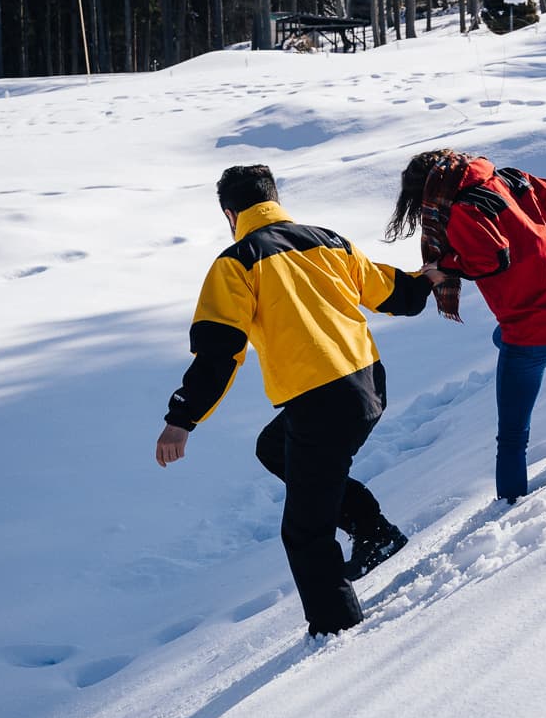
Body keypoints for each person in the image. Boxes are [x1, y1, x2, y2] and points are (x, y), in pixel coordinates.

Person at [156, 164, 433, 637]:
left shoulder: (236, 262)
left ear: (230, 214)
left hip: (321, 402)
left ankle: (336, 630)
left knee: (305, 531)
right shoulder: (329, 240)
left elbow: (220, 352)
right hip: (368, 384)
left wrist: (181, 418)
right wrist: (425, 279)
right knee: (274, 447)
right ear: (274, 199)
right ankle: (373, 531)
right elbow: (393, 294)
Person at [385, 149, 546, 505]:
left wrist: (446, 267)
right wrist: (543, 245)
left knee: (512, 436)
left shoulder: (464, 208)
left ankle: (509, 509)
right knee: (500, 336)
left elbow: (491, 258)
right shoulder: (510, 178)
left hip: (533, 325)